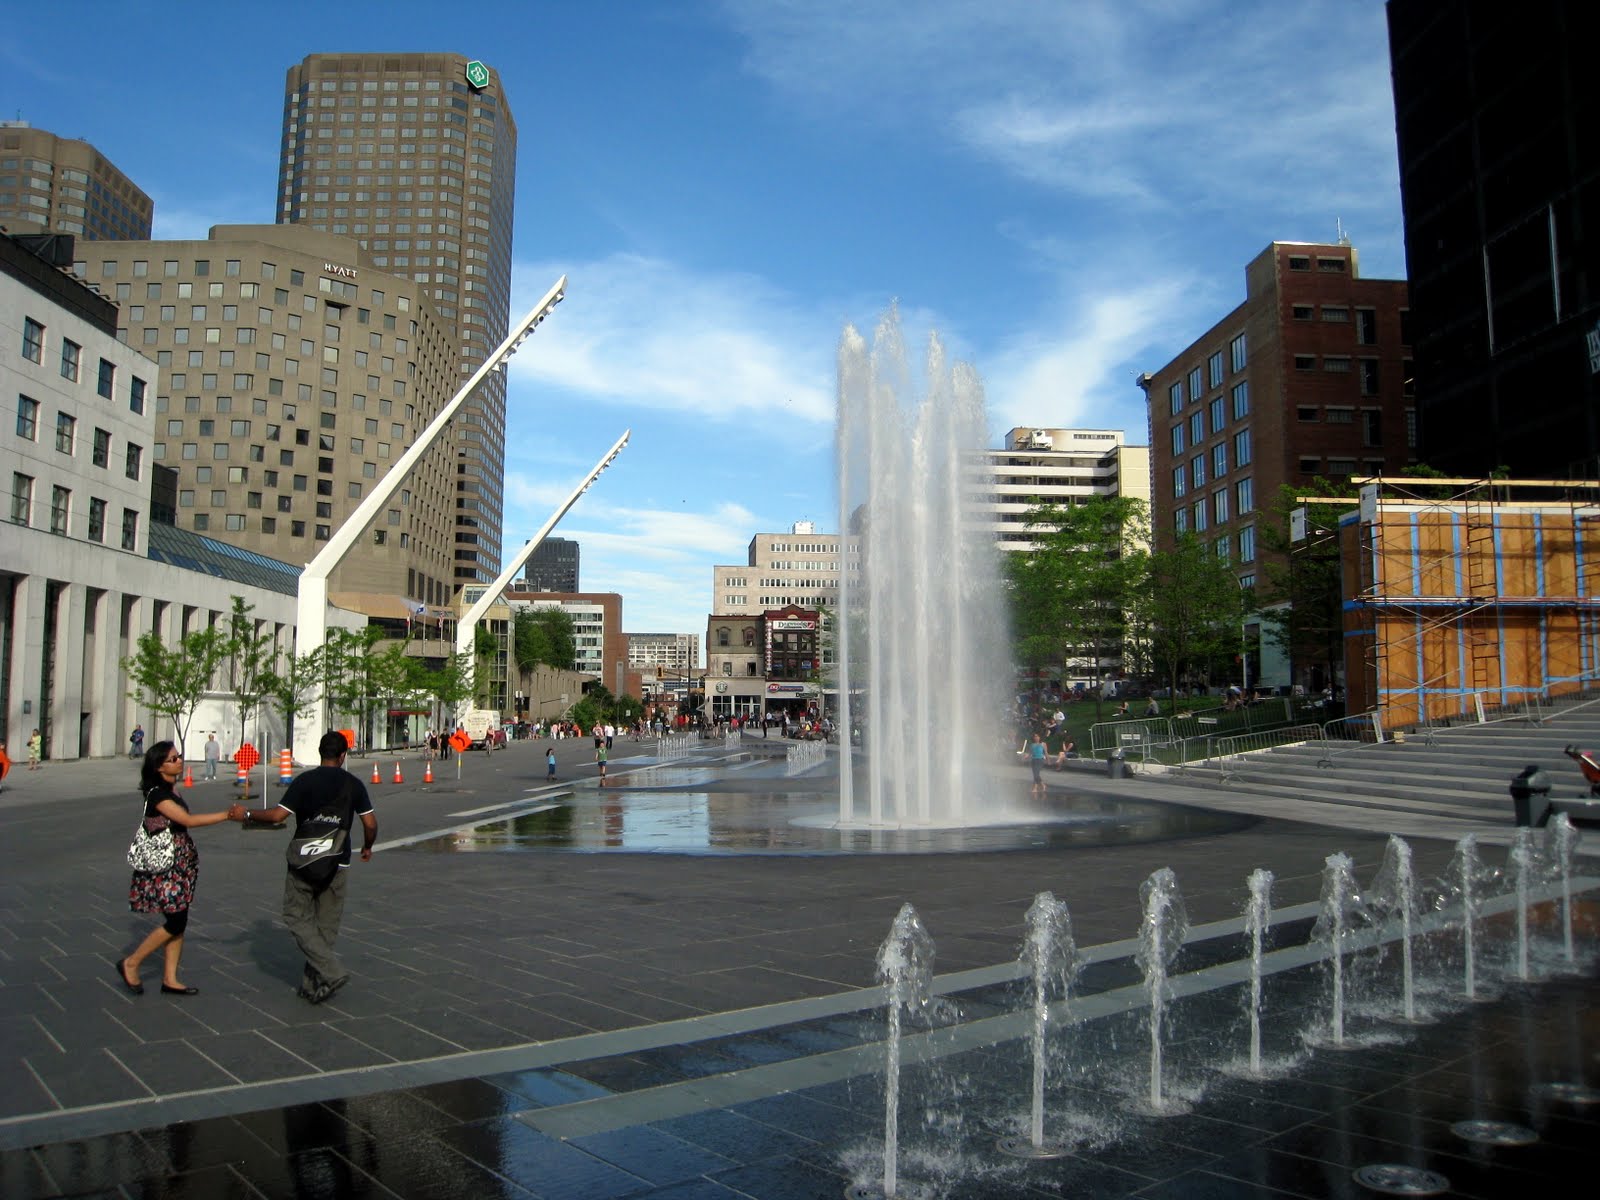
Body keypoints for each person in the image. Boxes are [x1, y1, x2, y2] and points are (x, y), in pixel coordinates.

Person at [238, 731, 376, 1005]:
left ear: (320, 753)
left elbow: (278, 816)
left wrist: (248, 814)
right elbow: (370, 823)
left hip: (304, 860)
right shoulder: (354, 785)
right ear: (343, 756)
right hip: (338, 861)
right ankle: (314, 980)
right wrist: (368, 846)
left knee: (295, 915)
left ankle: (326, 974)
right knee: (326, 924)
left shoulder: (304, 781)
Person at [117, 741, 244, 996]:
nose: (179, 762)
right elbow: (187, 821)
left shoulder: (171, 790)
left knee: (180, 917)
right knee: (176, 920)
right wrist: (226, 815)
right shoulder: (157, 794)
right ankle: (131, 962)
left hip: (181, 860)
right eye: (173, 759)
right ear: (158, 766)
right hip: (166, 863)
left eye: (179, 757)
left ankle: (170, 978)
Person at [1027, 730, 1047, 796]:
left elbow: (1046, 753)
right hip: (1034, 760)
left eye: (1037, 736)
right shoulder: (1032, 745)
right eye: (1035, 736)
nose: (1036, 738)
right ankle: (1043, 785)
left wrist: (1049, 760)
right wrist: (1026, 756)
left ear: (1040, 737)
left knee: (1036, 774)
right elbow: (1030, 753)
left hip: (1040, 760)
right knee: (1035, 774)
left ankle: (1035, 788)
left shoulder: (1043, 744)